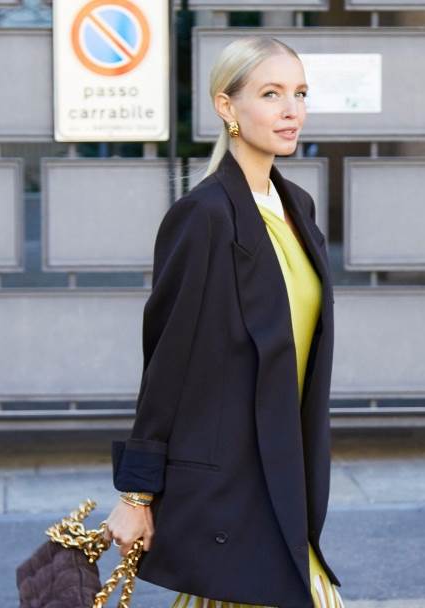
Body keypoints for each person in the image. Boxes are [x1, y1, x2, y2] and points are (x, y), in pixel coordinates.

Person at [102, 35, 343, 608]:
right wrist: (136, 492)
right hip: (232, 483)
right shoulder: (204, 216)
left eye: (300, 94)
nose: (292, 110)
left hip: (289, 472)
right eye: (271, 94)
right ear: (226, 106)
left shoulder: (298, 208)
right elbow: (168, 362)